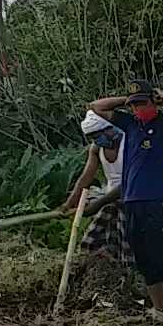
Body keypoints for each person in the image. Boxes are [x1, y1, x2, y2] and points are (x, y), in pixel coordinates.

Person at [88, 83, 163, 320]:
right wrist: (128, 99)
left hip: (157, 200)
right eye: (134, 105)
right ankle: (160, 312)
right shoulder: (130, 125)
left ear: (154, 103)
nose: (138, 108)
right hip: (131, 201)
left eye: (142, 103)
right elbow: (96, 107)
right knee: (143, 260)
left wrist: (161, 95)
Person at [61, 110, 128, 267]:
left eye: (98, 136)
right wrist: (69, 204)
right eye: (93, 138)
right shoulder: (96, 148)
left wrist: (96, 205)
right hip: (110, 199)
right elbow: (86, 177)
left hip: (132, 199)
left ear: (110, 129)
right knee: (91, 243)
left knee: (127, 249)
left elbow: (129, 184)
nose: (97, 141)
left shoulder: (130, 143)